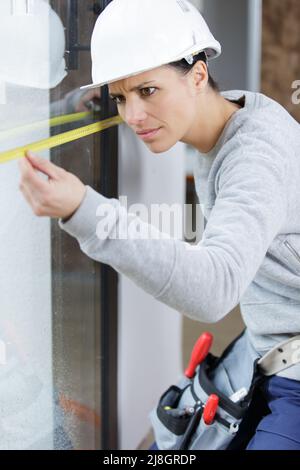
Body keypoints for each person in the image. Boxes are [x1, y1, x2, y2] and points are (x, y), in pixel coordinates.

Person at [18, 0, 300, 450]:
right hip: (265, 344)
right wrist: (47, 112)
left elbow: (215, 287)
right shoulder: (233, 117)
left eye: (148, 91)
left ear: (198, 75)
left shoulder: (255, 156)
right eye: (120, 98)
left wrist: (83, 211)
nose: (132, 117)